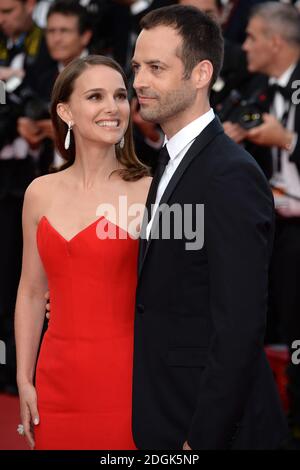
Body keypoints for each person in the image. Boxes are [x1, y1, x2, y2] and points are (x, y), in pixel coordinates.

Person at [130, 4, 288, 449]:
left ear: (201, 74)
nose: (139, 80)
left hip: (206, 425)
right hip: (166, 407)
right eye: (138, 66)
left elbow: (239, 326)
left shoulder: (228, 173)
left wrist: (201, 439)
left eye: (156, 67)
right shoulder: (170, 159)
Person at [14, 54, 151, 450]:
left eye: (121, 96)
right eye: (95, 96)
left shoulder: (150, 192)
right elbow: (30, 291)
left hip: (126, 380)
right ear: (65, 111)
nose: (113, 108)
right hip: (56, 380)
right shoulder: (39, 192)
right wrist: (25, 379)